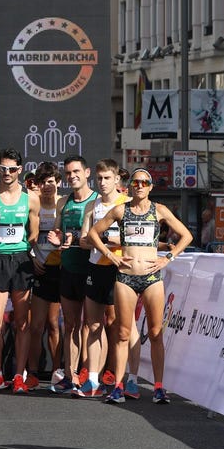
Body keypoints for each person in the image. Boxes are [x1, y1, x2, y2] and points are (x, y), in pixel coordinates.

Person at [88, 168, 192, 404]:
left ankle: (158, 387)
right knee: (123, 333)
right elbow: (94, 233)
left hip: (152, 278)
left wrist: (169, 257)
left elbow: (186, 235)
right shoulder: (120, 210)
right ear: (130, 186)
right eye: (136, 182)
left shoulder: (160, 210)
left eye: (145, 182)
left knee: (155, 333)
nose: (140, 185)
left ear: (150, 187)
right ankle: (118, 386)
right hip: (125, 277)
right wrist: (110, 255)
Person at [0, 149, 40, 394]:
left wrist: (21, 249)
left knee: (22, 323)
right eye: (3, 169)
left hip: (21, 260)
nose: (7, 173)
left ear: (20, 170)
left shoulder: (30, 198)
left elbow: (33, 233)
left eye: (12, 169)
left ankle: (18, 375)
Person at [76, 158, 127, 398]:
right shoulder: (92, 206)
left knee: (117, 326)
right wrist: (102, 240)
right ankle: (92, 379)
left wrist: (105, 241)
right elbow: (84, 240)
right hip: (95, 268)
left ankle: (117, 379)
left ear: (117, 179)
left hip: (119, 269)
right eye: (100, 178)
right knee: (93, 324)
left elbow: (131, 241)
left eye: (107, 178)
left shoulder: (126, 204)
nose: (103, 183)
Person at [47, 156, 97, 394]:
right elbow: (59, 231)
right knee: (70, 324)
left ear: (87, 173)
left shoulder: (97, 201)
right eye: (68, 173)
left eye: (76, 171)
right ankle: (70, 374)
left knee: (93, 324)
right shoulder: (63, 202)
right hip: (68, 268)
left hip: (92, 268)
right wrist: (56, 238)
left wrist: (77, 239)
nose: (72, 176)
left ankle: (91, 374)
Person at [28, 162, 63, 390]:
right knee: (36, 325)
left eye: (51, 181)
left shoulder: (64, 203)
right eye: (43, 182)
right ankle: (31, 372)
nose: (47, 186)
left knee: (54, 324)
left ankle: (57, 371)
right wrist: (33, 258)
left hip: (60, 267)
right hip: (39, 266)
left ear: (58, 182)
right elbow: (26, 235)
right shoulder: (34, 204)